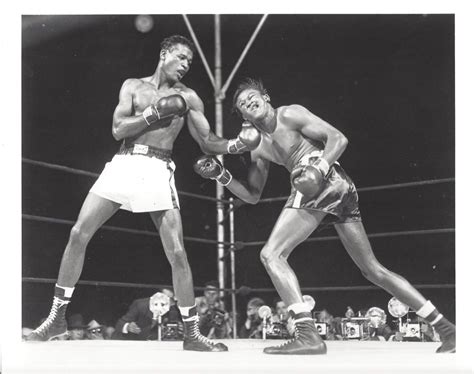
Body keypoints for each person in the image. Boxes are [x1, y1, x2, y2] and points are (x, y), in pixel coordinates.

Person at [26, 35, 258, 352]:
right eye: (181, 57)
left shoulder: (188, 97)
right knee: (79, 232)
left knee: (177, 253)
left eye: (190, 61)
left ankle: (192, 334)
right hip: (125, 161)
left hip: (158, 168)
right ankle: (56, 319)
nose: (186, 65)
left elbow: (208, 141)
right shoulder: (133, 86)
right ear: (164, 55)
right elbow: (118, 129)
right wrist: (152, 114)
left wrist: (235, 145)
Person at [194, 78, 456, 354]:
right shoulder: (257, 147)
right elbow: (252, 195)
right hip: (335, 189)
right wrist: (221, 176)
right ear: (244, 116)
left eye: (251, 97)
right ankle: (447, 330)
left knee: (271, 255)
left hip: (324, 178)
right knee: (373, 270)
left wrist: (317, 168)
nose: (249, 103)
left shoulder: (289, 114)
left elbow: (338, 138)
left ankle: (307, 335)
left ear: (266, 96)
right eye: (243, 105)